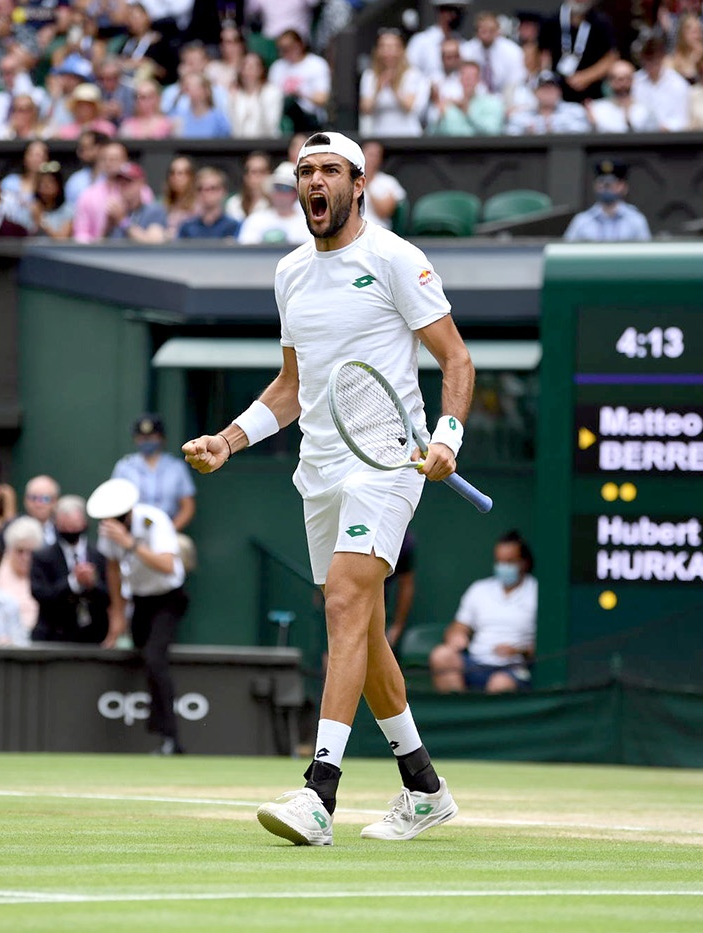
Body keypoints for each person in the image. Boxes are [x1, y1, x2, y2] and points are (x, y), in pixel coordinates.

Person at [182, 131, 473, 846]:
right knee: (362, 630)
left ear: (358, 182)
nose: (315, 181)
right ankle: (424, 787)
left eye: (329, 171)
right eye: (305, 171)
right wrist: (229, 438)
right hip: (317, 470)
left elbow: (456, 359)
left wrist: (447, 437)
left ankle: (320, 791)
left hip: (387, 463)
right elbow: (292, 385)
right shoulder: (289, 273)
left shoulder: (397, 259)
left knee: (345, 601)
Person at [89, 477, 188, 754]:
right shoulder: (109, 533)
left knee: (155, 658)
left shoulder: (154, 521)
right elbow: (112, 570)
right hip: (141, 602)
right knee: (143, 657)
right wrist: (117, 616)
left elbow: (168, 565)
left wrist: (130, 543)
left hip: (169, 598)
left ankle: (171, 738)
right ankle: (159, 732)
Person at [428, 531, 537, 693]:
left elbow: (543, 644)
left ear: (524, 562)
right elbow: (459, 626)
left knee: (500, 684)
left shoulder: (537, 591)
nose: (504, 567)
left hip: (514, 668)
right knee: (441, 655)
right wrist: (456, 636)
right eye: (499, 561)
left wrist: (519, 650)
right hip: (475, 663)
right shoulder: (479, 589)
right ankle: (459, 714)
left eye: (510, 562)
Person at [30, 494, 108, 643]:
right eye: (65, 527)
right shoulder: (43, 557)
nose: (70, 532)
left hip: (94, 637)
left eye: (74, 527)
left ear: (84, 523)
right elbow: (41, 594)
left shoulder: (99, 556)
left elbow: (110, 596)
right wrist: (73, 582)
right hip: (54, 636)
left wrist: (92, 583)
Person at [111, 414, 196, 531]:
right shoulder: (124, 467)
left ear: (161, 438)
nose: (147, 441)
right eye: (142, 437)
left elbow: (187, 506)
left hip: (168, 528)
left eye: (151, 437)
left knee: (183, 547)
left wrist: (168, 531)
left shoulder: (176, 467)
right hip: (132, 531)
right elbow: (114, 502)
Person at [564, 160, 651, 243]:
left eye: (610, 183)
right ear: (595, 186)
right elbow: (565, 253)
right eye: (601, 182)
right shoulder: (582, 221)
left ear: (623, 186)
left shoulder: (635, 220)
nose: (606, 187)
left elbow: (646, 254)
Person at [0, 515, 41, 632]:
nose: (25, 557)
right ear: (9, 550)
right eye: (20, 551)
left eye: (30, 552)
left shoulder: (45, 575)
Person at [176, 166, 240, 240]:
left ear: (223, 191)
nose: (205, 193)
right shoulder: (187, 228)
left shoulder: (234, 227)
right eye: (200, 189)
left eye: (212, 188)